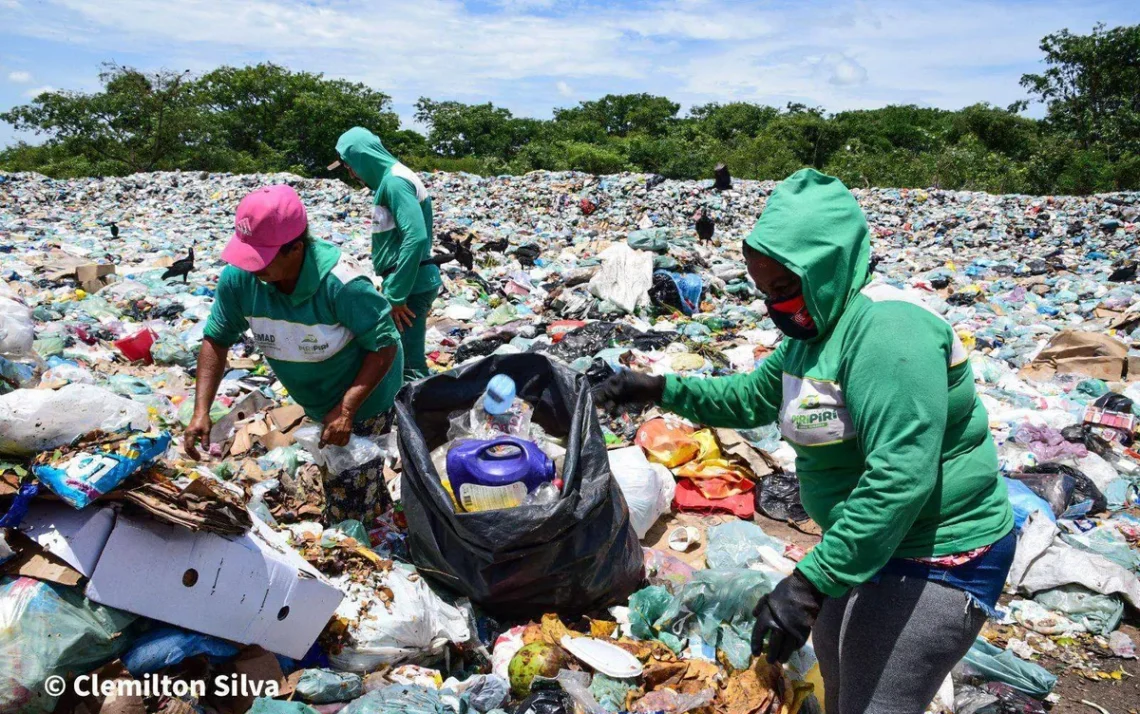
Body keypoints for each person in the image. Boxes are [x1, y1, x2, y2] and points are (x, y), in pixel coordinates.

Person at [598, 169, 1015, 714]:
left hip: (939, 551)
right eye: (766, 291)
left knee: (876, 700)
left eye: (785, 288)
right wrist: (656, 387)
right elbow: (751, 398)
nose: (775, 305)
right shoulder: (816, 329)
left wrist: (810, 581)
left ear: (827, 267)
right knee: (836, 666)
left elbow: (900, 477)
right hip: (872, 541)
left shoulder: (890, 333)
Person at [184, 184, 403, 462]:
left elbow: (384, 343)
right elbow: (217, 338)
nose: (251, 266)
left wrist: (347, 409)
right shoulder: (240, 278)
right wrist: (201, 410)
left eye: (261, 258)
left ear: (296, 249)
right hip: (316, 400)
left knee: (352, 484)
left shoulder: (341, 283)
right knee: (340, 475)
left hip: (365, 398)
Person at [332, 127, 441, 381]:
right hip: (410, 281)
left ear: (361, 158)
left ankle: (422, 416)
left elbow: (416, 237)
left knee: (408, 365)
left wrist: (396, 295)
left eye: (350, 166)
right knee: (402, 358)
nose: (352, 173)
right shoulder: (393, 179)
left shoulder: (395, 182)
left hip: (410, 286)